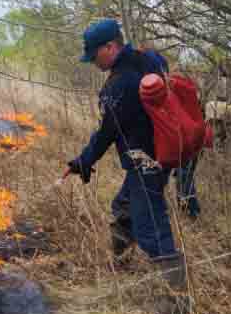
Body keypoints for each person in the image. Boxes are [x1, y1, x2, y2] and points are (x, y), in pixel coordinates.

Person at [64, 18, 186, 288]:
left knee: (150, 228)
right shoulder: (148, 58)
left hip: (146, 161)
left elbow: (107, 132)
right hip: (163, 152)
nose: (93, 61)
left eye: (94, 54)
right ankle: (121, 260)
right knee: (123, 206)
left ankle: (177, 299)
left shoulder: (119, 84)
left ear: (110, 47)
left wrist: (83, 162)